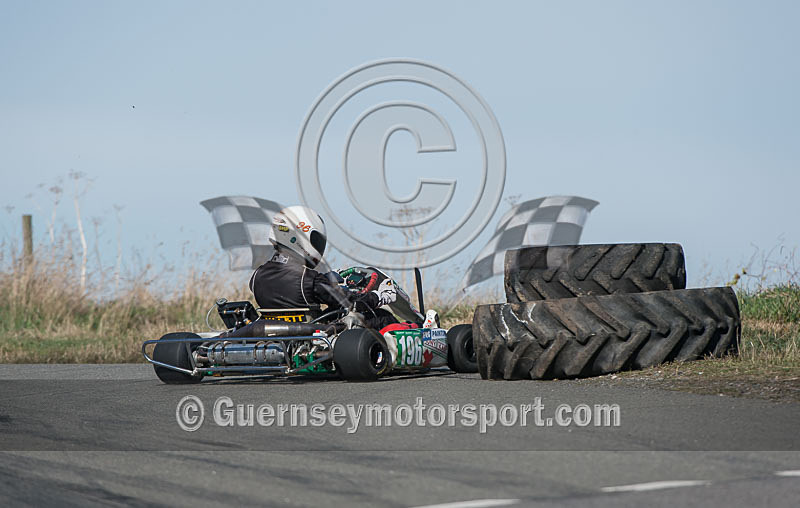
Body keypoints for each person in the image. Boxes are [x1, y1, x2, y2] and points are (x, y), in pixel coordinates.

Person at [248, 205, 398, 330]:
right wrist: (380, 296)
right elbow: (349, 302)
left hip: (278, 335)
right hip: (313, 337)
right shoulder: (308, 279)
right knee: (381, 316)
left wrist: (327, 279)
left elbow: (285, 287)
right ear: (299, 238)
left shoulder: (257, 276)